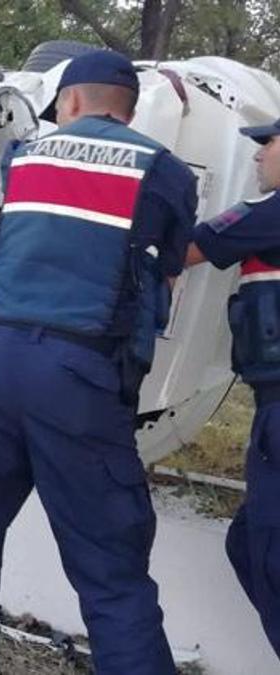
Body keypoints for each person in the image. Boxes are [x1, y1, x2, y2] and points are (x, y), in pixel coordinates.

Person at [0, 51, 198, 675]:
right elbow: (169, 268)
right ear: (128, 108)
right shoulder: (166, 172)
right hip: (81, 375)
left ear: (70, 102)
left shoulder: (26, 157)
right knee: (109, 565)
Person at [185, 117, 280, 658]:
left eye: (267, 144)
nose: (257, 156)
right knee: (248, 543)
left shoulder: (271, 215)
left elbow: (188, 249)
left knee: (266, 554)